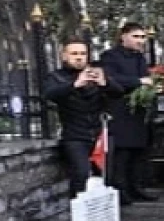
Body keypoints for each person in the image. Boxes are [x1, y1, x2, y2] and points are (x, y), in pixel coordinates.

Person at [43, 39, 123, 195]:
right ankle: (78, 214)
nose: (79, 57)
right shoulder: (56, 76)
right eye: (74, 54)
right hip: (75, 135)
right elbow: (49, 95)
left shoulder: (96, 73)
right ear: (64, 56)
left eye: (83, 54)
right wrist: (74, 85)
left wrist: (104, 83)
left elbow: (118, 93)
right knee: (81, 174)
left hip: (100, 134)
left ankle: (102, 214)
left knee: (106, 176)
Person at [100, 23, 157, 204]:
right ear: (123, 36)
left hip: (137, 111)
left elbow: (146, 78)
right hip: (120, 109)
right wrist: (138, 81)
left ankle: (136, 187)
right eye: (136, 37)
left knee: (137, 153)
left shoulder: (140, 58)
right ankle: (120, 190)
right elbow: (111, 79)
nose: (140, 41)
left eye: (142, 37)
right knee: (122, 154)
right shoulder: (109, 56)